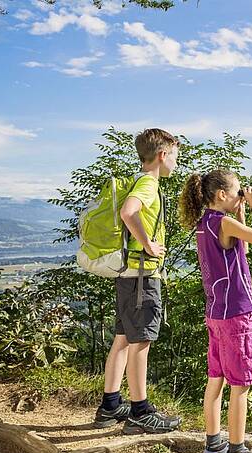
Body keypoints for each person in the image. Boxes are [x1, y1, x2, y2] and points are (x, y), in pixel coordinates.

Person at [178, 169, 252, 453]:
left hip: (216, 313)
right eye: (237, 193)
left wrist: (242, 211)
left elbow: (241, 249)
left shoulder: (205, 223)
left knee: (217, 379)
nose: (241, 196)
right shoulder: (223, 222)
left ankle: (214, 450)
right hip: (236, 313)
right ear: (222, 195)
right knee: (241, 386)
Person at [94, 128, 182, 434]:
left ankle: (110, 405)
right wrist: (148, 245)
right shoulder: (148, 183)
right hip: (142, 276)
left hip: (129, 276)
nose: (176, 163)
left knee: (123, 338)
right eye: (174, 156)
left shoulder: (140, 180)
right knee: (141, 341)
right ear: (161, 155)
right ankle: (140, 411)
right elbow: (128, 212)